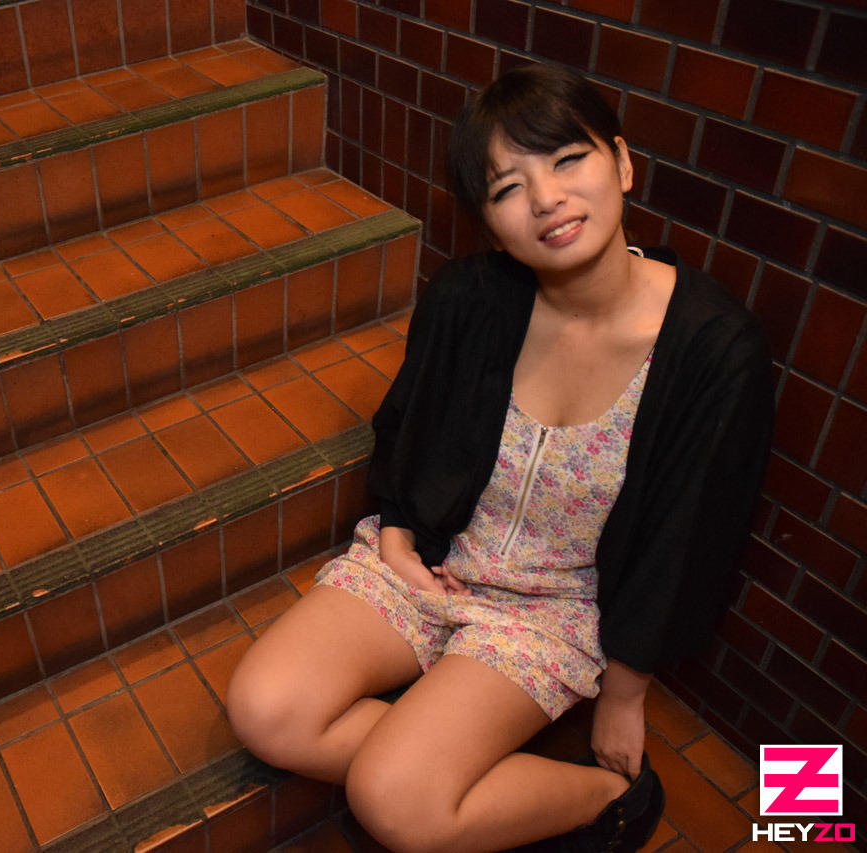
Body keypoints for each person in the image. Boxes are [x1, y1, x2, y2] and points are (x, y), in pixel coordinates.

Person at [225, 63, 773, 853]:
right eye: (508, 187)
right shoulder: (469, 298)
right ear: (488, 222)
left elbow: (689, 537)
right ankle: (429, 760)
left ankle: (608, 796)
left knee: (396, 802)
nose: (547, 198)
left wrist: (624, 693)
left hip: (550, 610)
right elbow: (409, 423)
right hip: (437, 562)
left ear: (622, 162)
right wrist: (398, 537)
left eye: (568, 159)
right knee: (266, 710)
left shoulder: (712, 348)